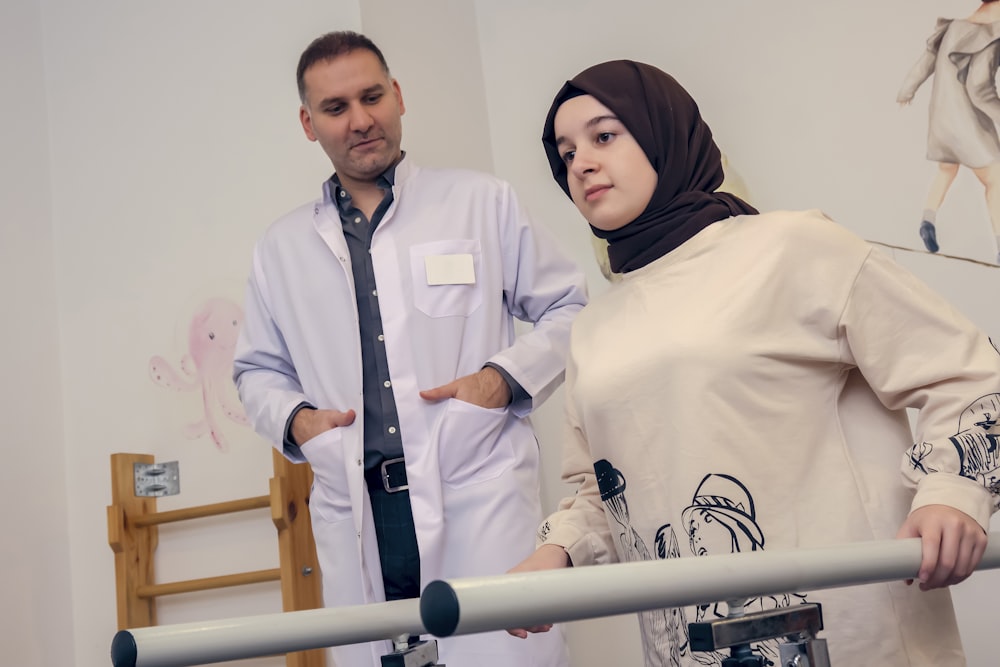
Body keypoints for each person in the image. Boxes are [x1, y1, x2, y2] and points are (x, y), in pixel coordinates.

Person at [511, 59, 1000, 666]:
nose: (579, 163)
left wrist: (952, 492)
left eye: (604, 135)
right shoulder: (593, 330)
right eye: (564, 154)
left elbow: (969, 371)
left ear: (665, 133)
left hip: (850, 634)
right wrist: (554, 553)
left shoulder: (792, 247)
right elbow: (602, 490)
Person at [232, 31, 583, 666]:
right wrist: (299, 423)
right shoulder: (280, 248)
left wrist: (500, 379)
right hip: (358, 506)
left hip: (474, 491)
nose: (361, 120)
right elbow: (257, 368)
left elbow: (569, 308)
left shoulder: (481, 202)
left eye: (372, 98)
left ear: (397, 96)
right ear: (309, 124)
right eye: (336, 109)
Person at [898, 0, 1000, 264]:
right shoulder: (992, 35)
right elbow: (980, 88)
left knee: (946, 170)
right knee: (995, 179)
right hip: (968, 121)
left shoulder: (953, 27)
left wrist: (907, 89)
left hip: (942, 117)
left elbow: (927, 61)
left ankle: (927, 219)